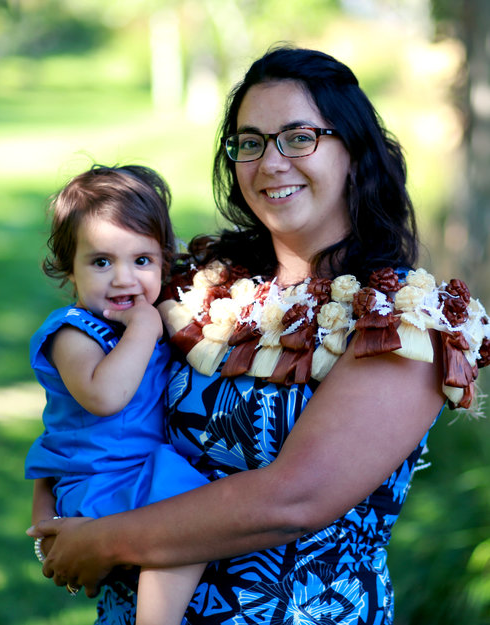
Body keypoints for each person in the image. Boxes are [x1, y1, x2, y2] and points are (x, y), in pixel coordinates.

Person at [27, 46, 490, 625]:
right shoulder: (201, 288)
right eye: (250, 142)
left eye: (299, 137)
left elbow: (294, 500)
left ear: (355, 151)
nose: (270, 163)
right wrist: (52, 506)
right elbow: (94, 406)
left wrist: (103, 541)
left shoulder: (399, 320)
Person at [24, 164, 208, 625]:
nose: (124, 279)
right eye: (102, 261)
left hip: (127, 476)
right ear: (70, 270)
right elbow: (105, 397)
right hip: (101, 483)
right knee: (192, 515)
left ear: (164, 261)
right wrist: (145, 328)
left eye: (141, 260)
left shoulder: (135, 320)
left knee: (187, 521)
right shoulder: (75, 332)